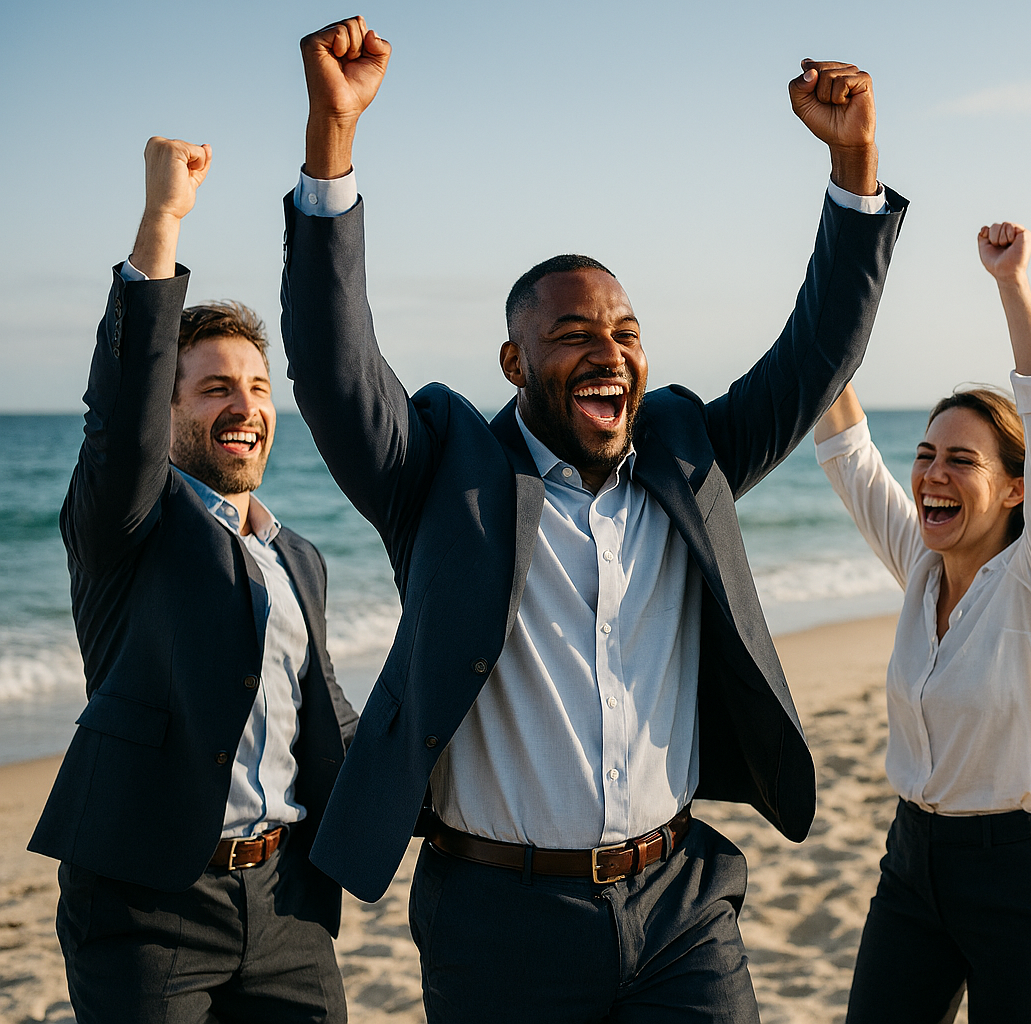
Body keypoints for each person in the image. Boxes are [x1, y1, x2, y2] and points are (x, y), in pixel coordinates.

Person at [279, 16, 907, 1021]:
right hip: (499, 920)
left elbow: (814, 356)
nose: (609, 351)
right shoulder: (442, 472)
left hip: (680, 910)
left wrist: (856, 167)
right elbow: (335, 368)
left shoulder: (683, 453)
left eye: (625, 331)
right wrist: (332, 142)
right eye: (573, 335)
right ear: (515, 364)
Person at [28, 137, 359, 1023]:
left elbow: (320, 711)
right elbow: (120, 413)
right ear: (169, 410)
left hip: (287, 904)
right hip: (144, 903)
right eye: (212, 389)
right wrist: (162, 221)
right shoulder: (124, 528)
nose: (244, 407)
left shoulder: (299, 558)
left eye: (256, 387)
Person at [814, 221, 1031, 1023]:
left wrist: (1011, 284)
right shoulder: (923, 564)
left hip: (1023, 883)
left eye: (961, 460)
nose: (932, 473)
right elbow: (850, 454)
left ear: (1016, 489)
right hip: (912, 867)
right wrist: (832, 294)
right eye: (926, 454)